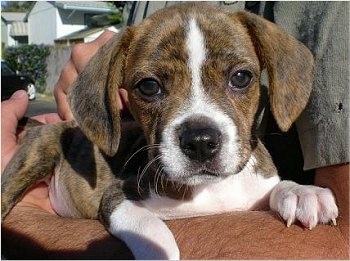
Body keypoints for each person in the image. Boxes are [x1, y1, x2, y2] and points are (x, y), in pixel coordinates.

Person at [2, 2, 349, 259]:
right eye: (151, 87)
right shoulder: (150, 177)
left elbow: (279, 198)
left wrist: (287, 191)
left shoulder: (264, 172)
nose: (200, 136)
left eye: (239, 79)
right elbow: (116, 198)